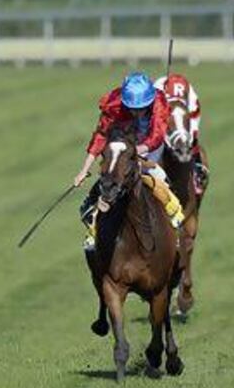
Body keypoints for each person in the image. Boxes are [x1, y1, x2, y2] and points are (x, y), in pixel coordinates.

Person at [74, 72, 185, 254]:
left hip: (148, 146)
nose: (136, 112)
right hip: (123, 145)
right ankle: (93, 231)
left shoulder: (159, 103)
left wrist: (135, 152)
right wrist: (83, 170)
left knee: (156, 176)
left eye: (142, 108)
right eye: (132, 108)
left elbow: (156, 137)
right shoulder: (114, 105)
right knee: (107, 183)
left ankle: (175, 219)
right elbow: (100, 137)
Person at [154, 73, 209, 194]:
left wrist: (189, 139)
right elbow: (155, 122)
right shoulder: (157, 92)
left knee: (192, 143)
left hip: (186, 116)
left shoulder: (191, 97)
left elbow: (194, 119)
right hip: (160, 119)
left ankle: (197, 171)